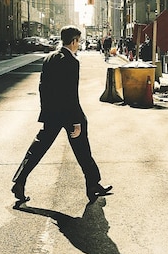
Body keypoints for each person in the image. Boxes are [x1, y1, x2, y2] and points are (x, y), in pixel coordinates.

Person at [11, 25, 112, 204]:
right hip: (68, 113)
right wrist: (76, 121)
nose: (78, 45)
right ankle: (93, 184)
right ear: (73, 41)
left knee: (38, 148)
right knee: (82, 148)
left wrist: (46, 111)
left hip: (52, 113)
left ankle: (19, 180)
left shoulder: (49, 58)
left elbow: (43, 87)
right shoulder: (71, 62)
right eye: (78, 41)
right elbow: (70, 93)